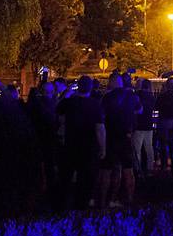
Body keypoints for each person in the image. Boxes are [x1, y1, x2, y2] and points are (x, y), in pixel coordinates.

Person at [57, 76, 105, 208]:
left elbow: (58, 110)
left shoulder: (70, 102)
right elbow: (100, 128)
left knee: (67, 176)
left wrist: (67, 92)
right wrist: (103, 147)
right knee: (86, 177)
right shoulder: (95, 105)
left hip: (71, 144)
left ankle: (63, 204)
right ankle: (82, 204)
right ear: (90, 88)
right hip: (89, 147)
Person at [102, 74, 138, 206]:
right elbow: (139, 110)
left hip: (110, 137)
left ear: (111, 82)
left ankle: (107, 199)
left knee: (108, 170)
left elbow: (102, 115)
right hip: (126, 136)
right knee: (128, 170)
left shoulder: (107, 97)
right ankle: (130, 199)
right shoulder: (131, 95)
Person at [155, 78, 173, 172]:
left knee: (163, 144)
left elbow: (156, 106)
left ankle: (164, 165)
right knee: (172, 143)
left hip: (165, 121)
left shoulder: (163, 95)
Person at [132, 78, 156, 175]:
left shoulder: (137, 95)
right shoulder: (152, 97)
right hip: (148, 125)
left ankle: (137, 169)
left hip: (139, 125)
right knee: (149, 148)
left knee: (137, 149)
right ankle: (150, 168)